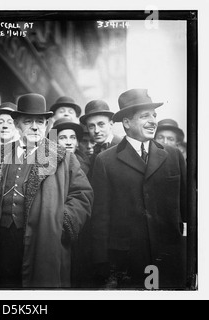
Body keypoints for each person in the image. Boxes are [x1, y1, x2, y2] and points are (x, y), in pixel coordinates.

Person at [0, 93, 93, 288]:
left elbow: (83, 195)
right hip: (1, 240)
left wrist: (60, 223)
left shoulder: (62, 156)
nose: (35, 126)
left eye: (40, 122)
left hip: (43, 240)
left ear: (47, 125)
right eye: (28, 121)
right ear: (17, 124)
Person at [90, 89, 187, 289]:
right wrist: (102, 264)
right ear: (126, 122)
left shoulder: (174, 156)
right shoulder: (105, 161)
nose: (153, 121)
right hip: (127, 262)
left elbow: (188, 210)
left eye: (154, 115)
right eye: (145, 116)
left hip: (169, 258)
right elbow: (100, 218)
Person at [80, 100, 121, 174]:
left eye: (101, 124)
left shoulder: (123, 145)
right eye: (91, 126)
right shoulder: (93, 153)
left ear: (111, 124)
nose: (96, 131)